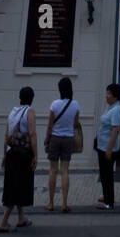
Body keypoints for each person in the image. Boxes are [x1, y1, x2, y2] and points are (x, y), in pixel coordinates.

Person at [0, 86, 37, 231]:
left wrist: (4, 156)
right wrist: (36, 155)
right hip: (23, 154)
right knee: (17, 187)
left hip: (11, 153)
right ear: (32, 98)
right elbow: (32, 134)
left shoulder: (12, 112)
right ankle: (3, 221)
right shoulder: (30, 111)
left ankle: (21, 218)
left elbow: (6, 137)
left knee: (14, 184)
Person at [45, 77, 80, 212]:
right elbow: (76, 124)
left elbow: (50, 125)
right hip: (68, 139)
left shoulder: (54, 104)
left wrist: (47, 139)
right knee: (65, 171)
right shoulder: (75, 105)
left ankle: (51, 203)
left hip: (55, 138)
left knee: (53, 170)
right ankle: (65, 204)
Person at [95, 83, 120, 210]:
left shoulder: (116, 110)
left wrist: (109, 149)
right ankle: (106, 196)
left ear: (115, 96)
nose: (106, 96)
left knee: (107, 174)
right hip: (102, 145)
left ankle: (108, 203)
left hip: (107, 147)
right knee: (104, 173)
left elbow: (116, 130)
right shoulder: (111, 107)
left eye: (108, 94)